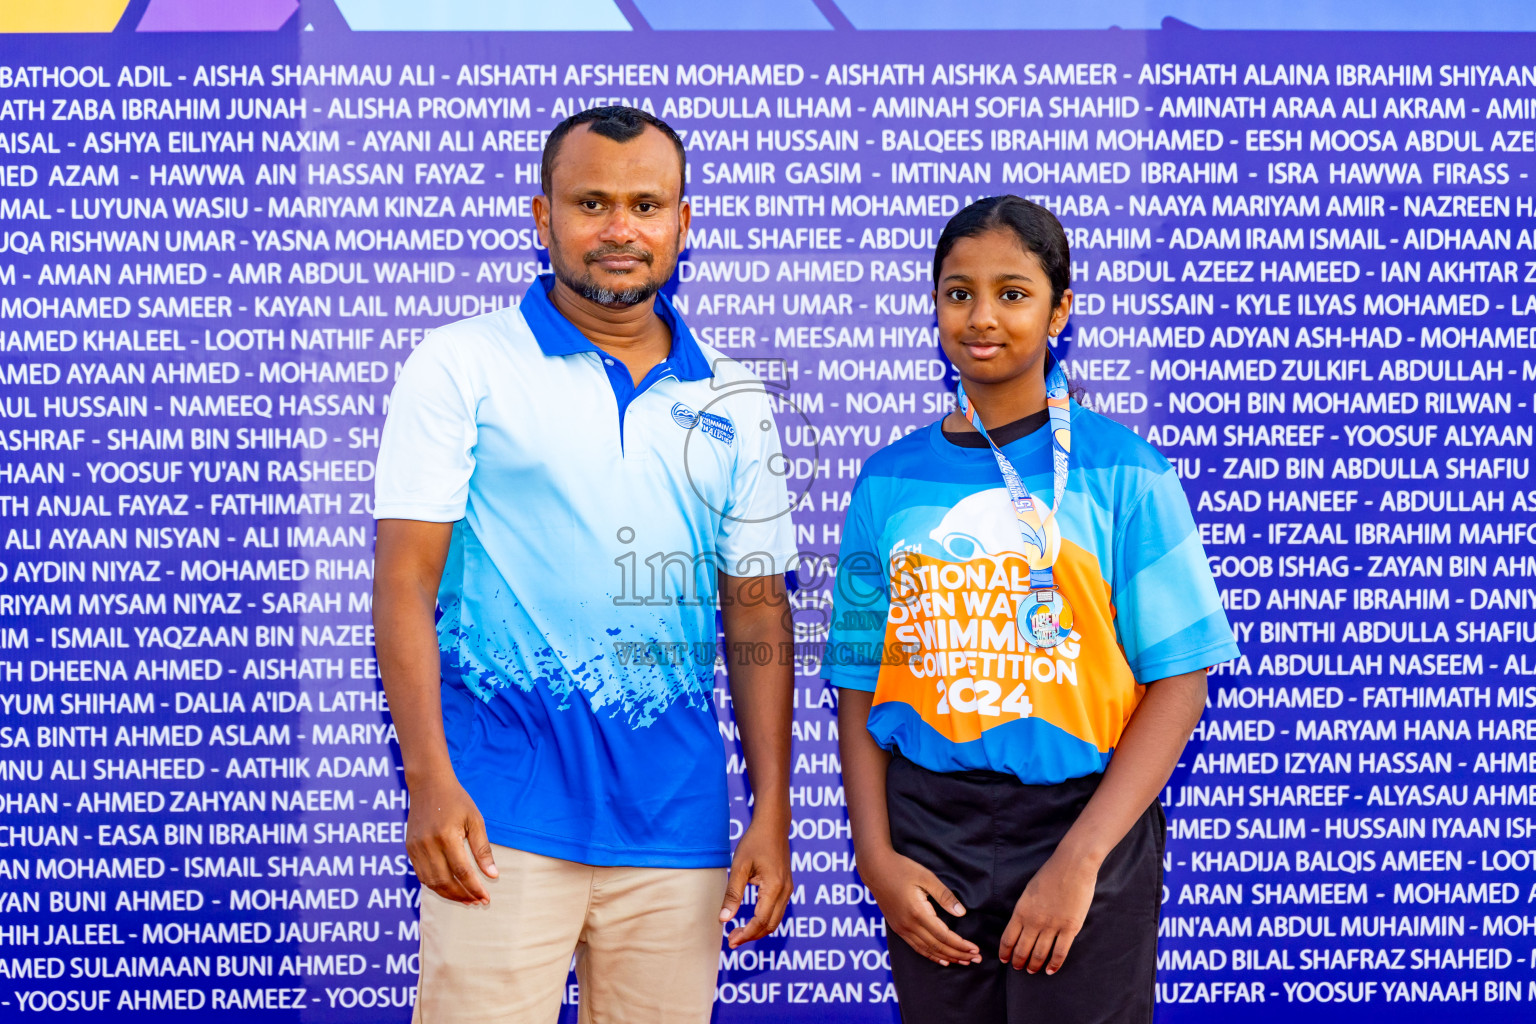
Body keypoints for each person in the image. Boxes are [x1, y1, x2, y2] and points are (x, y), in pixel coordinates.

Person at [372, 105, 798, 1024]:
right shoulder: (460, 364)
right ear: (542, 215)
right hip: (497, 820)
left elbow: (758, 612)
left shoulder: (736, 398)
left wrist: (771, 807)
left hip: (677, 831)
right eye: (591, 201)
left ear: (683, 224)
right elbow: (404, 580)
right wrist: (431, 782)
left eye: (647, 204)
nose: (619, 228)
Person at [823, 195, 1240, 1023]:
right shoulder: (888, 480)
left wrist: (1079, 861)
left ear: (1061, 309)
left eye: (1013, 293)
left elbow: (1180, 684)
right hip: (927, 831)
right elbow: (859, 681)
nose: (982, 317)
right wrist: (876, 855)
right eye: (957, 292)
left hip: (1084, 819)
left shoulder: (1129, 473)